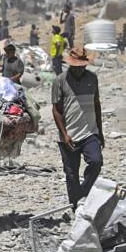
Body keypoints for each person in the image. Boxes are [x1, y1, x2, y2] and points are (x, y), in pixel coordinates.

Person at [51, 46, 103, 210]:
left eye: (82, 67)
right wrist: (64, 134)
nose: (79, 70)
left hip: (90, 132)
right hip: (69, 136)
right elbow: (56, 110)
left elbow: (96, 104)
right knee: (71, 173)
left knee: (96, 162)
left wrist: (100, 132)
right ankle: (76, 206)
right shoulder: (60, 80)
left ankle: (83, 193)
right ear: (70, 65)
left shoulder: (92, 78)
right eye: (76, 67)